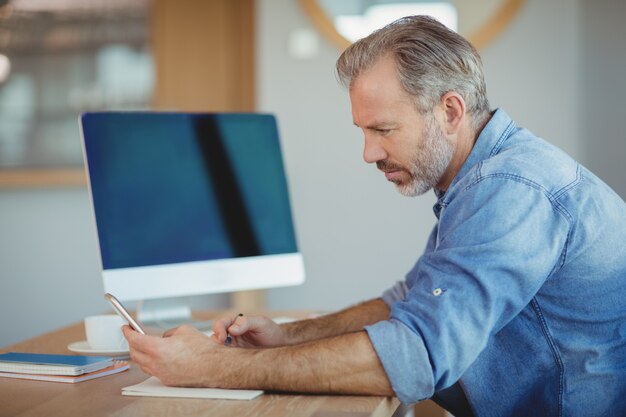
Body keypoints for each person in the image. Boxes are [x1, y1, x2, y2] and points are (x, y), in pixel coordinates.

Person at [123, 16, 626, 416]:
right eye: (363, 131)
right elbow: (408, 301)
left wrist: (211, 367)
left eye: (384, 129)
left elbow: (418, 354)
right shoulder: (483, 177)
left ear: (450, 111)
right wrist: (286, 334)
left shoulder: (512, 190)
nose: (368, 153)